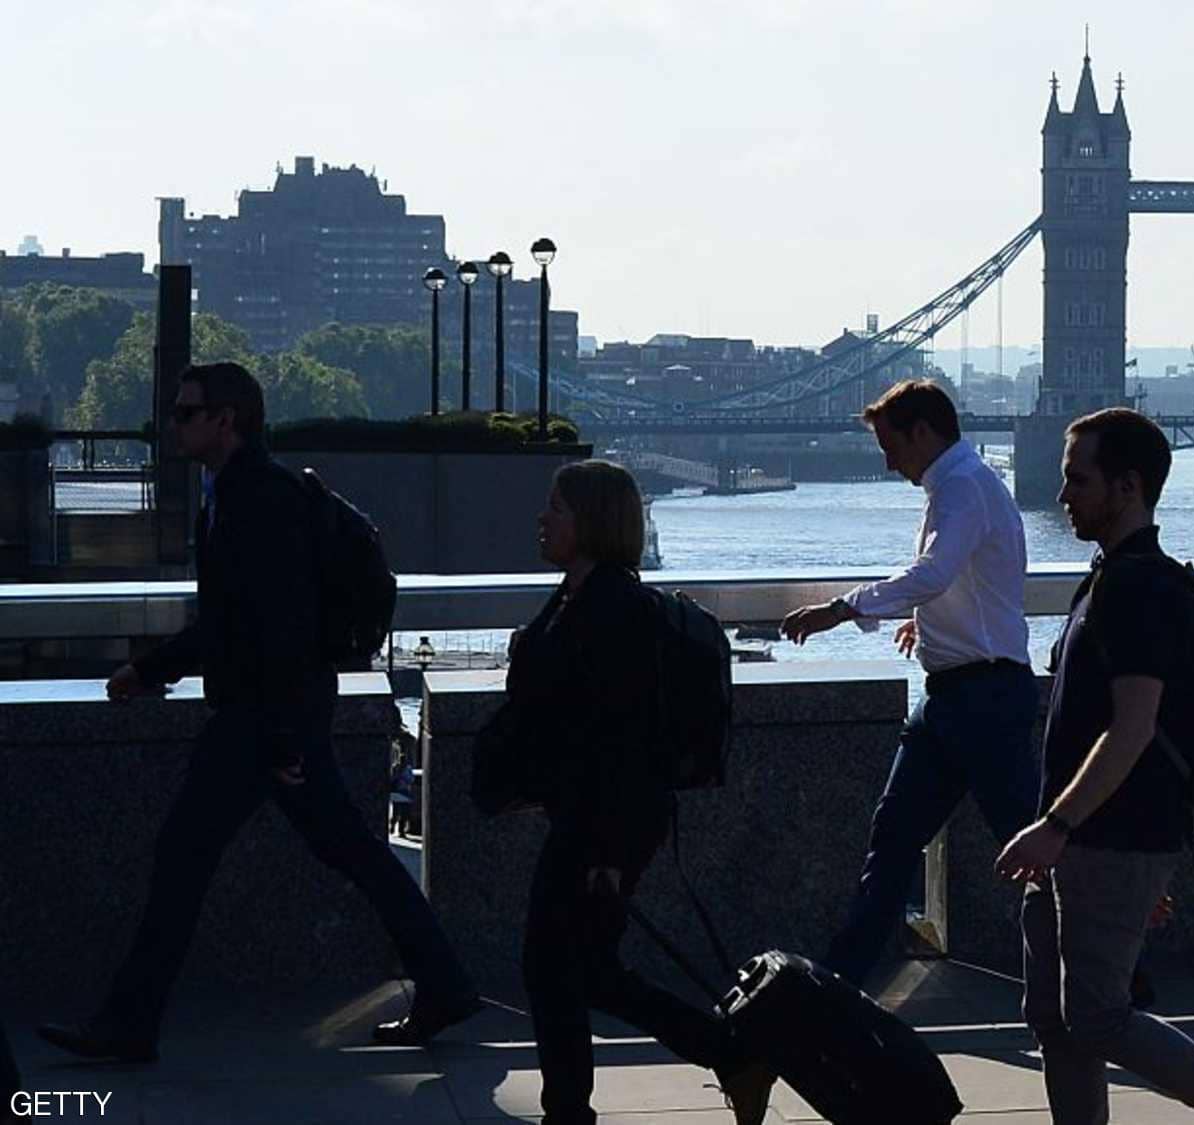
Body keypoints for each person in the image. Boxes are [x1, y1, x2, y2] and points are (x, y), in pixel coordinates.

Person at [37, 362, 478, 1063]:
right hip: (275, 714)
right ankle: (446, 982)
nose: (173, 424)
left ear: (227, 420)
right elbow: (237, 622)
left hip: (262, 719)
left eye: (186, 413)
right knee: (350, 852)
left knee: (187, 858)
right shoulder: (242, 493)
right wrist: (154, 671)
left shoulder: (256, 501)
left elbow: (271, 627)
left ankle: (129, 1023)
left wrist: (273, 736)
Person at [996, 409, 1194, 1125]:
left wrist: (1056, 826)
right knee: (1052, 1015)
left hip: (1108, 834)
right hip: (1087, 838)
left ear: (1128, 485)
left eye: (1078, 479)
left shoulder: (1139, 589)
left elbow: (1132, 727)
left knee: (1096, 1015)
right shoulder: (1108, 577)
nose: (1061, 493)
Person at [509, 459, 772, 1125]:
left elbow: (624, 739)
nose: (542, 518)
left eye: (557, 508)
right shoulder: (579, 596)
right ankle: (728, 1055)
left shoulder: (614, 612)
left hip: (607, 822)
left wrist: (606, 853)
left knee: (555, 965)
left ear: (592, 522)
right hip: (594, 814)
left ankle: (578, 1108)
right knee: (582, 968)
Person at [780, 380, 1038, 988]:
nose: (888, 462)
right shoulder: (964, 483)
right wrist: (928, 623)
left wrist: (842, 608)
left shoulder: (962, 486)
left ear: (923, 432)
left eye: (891, 445)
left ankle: (1115, 977)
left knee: (1027, 849)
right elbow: (969, 580)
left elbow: (933, 572)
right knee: (895, 841)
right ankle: (838, 985)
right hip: (957, 694)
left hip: (981, 700)